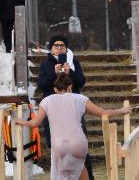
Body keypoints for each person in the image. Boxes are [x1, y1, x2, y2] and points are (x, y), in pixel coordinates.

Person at [17, 73, 132, 180]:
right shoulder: (80, 98)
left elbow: (34, 123)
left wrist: (22, 122)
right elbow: (103, 112)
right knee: (83, 172)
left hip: (59, 145)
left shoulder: (47, 101)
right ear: (70, 87)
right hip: (78, 142)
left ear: (55, 89)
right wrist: (122, 110)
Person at [37, 35, 94, 179]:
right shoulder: (45, 65)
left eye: (62, 45)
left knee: (80, 146)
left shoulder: (73, 62)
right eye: (56, 45)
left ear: (66, 48)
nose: (59, 48)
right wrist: (53, 73)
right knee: (58, 148)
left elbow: (80, 82)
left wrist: (71, 72)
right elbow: (42, 86)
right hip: (54, 113)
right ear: (51, 48)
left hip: (73, 111)